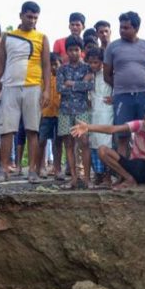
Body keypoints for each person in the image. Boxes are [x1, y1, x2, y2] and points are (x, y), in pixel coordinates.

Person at [0, 1, 51, 183]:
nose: (32, 20)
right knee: (7, 130)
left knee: (33, 129)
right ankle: (4, 169)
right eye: (29, 16)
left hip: (33, 87)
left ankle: (32, 171)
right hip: (10, 87)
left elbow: (46, 65)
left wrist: (47, 89)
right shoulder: (8, 36)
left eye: (35, 17)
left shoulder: (42, 37)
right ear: (21, 15)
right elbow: (0, 63)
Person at [71, 103, 145, 189]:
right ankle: (129, 179)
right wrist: (88, 127)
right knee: (102, 150)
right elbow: (113, 129)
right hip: (134, 166)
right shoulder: (139, 125)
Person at [104, 11, 145, 156]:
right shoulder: (112, 47)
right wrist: (122, 86)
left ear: (136, 28)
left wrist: (139, 84)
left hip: (144, 95)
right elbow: (107, 75)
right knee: (122, 136)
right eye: (121, 27)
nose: (122, 30)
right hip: (122, 97)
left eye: (126, 28)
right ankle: (123, 175)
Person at [57, 35, 94, 189]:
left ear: (81, 51)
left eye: (76, 50)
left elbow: (89, 86)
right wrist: (80, 84)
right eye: (70, 50)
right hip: (65, 110)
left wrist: (70, 83)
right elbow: (60, 88)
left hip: (82, 110)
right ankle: (73, 178)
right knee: (69, 145)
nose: (73, 53)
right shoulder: (62, 68)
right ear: (66, 52)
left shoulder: (87, 67)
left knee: (84, 143)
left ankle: (86, 178)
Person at [87, 47, 114, 188]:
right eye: (90, 63)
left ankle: (108, 176)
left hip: (106, 112)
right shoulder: (90, 76)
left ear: (102, 62)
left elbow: (116, 87)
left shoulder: (108, 74)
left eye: (96, 62)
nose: (93, 65)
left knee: (106, 142)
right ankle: (98, 174)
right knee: (94, 142)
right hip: (94, 113)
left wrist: (114, 98)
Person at [38, 53, 62, 178]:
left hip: (59, 114)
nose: (53, 67)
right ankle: (41, 167)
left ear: (60, 65)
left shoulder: (62, 78)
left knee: (57, 142)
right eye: (50, 65)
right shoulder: (42, 79)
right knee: (41, 141)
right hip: (45, 114)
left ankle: (57, 169)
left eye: (56, 64)